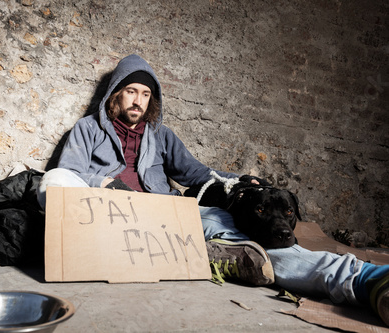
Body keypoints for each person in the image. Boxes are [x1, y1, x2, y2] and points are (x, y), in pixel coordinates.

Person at [37, 54, 389, 325]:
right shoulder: (87, 129)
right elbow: (68, 172)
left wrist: (238, 180)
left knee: (248, 241)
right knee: (52, 180)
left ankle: (364, 279)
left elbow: (195, 173)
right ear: (116, 93)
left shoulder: (161, 135)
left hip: (164, 215)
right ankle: (205, 254)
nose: (137, 101)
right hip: (107, 214)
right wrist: (106, 184)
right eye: (131, 91)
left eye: (145, 94)